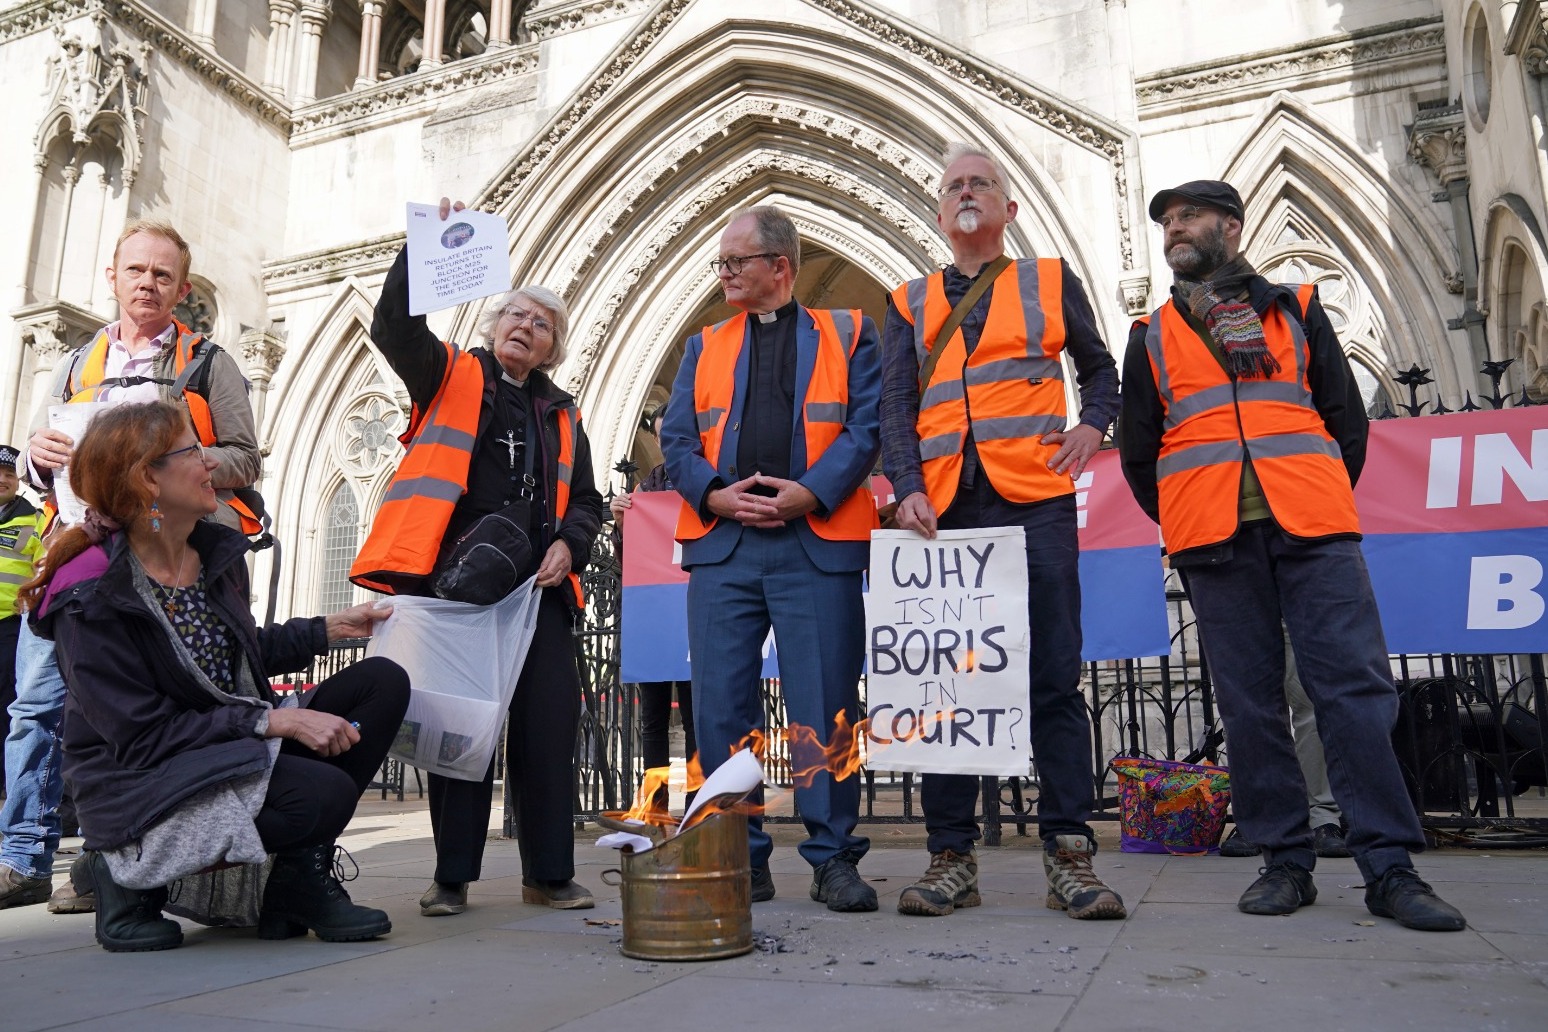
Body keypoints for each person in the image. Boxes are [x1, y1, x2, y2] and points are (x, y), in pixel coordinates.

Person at [1118, 178, 1465, 931]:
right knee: (1250, 704)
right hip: (1214, 541)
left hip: (1313, 528)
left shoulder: (1297, 312)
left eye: (1191, 218)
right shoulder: (1150, 336)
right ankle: (1284, 860)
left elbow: (1347, 425)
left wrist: (1312, 493)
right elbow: (1141, 456)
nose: (1175, 229)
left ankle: (1389, 867)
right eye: (1168, 221)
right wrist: (1185, 514)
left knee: (1354, 694)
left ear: (1231, 230)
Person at [28, 401, 409, 952]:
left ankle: (296, 882)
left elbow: (235, 655)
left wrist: (328, 628)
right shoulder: (90, 588)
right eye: (191, 452)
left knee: (381, 683)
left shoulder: (213, 555)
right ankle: (121, 874)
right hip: (140, 779)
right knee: (317, 795)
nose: (210, 464)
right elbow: (140, 735)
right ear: (146, 479)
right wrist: (272, 722)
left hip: (216, 749)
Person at [879, 143, 1125, 921]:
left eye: (981, 182)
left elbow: (1102, 370)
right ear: (939, 212)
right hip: (945, 511)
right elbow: (894, 407)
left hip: (1034, 500)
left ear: (1009, 209)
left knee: (1052, 677)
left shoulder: (1049, 280)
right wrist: (910, 489)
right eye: (952, 186)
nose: (965, 194)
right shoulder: (907, 299)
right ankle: (951, 856)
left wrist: (1092, 425)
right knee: (944, 686)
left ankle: (1068, 853)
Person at [1, 217, 262, 914]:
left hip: (162, 548)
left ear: (182, 289)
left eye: (163, 274)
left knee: (139, 708)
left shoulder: (209, 363)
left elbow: (244, 456)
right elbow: (33, 455)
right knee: (37, 706)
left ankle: (106, 864)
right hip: (80, 548)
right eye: (136, 271)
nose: (148, 283)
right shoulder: (73, 363)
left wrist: (168, 464)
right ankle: (21, 857)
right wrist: (37, 456)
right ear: (112, 277)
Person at [353, 198, 604, 917]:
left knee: (546, 730)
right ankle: (452, 877)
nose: (527, 327)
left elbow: (586, 501)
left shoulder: (563, 415)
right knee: (461, 731)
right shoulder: (448, 375)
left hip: (540, 595)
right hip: (452, 589)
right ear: (494, 327)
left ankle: (548, 873)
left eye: (543, 323)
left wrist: (570, 543)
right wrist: (426, 245)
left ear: (555, 348)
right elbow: (394, 326)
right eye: (516, 315)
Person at [661, 204, 880, 912]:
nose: (723, 273)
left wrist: (809, 493)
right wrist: (715, 495)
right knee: (722, 712)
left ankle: (833, 857)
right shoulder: (703, 345)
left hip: (812, 543)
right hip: (724, 547)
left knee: (826, 708)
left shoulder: (850, 333)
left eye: (735, 262)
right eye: (721, 263)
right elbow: (677, 442)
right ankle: (735, 857)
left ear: (779, 268)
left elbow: (866, 426)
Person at [609, 407, 696, 811]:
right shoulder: (648, 487)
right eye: (661, 435)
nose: (666, 442)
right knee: (654, 723)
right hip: (656, 619)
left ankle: (699, 804)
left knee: (697, 722)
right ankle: (657, 805)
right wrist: (623, 523)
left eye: (673, 432)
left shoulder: (705, 476)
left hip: (695, 615)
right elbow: (631, 559)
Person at [1219, 627, 1351, 859]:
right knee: (1247, 714)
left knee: (1315, 711)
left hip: (1297, 610)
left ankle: (1322, 817)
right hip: (1241, 610)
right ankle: (1256, 818)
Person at [0, 446, 45, 793]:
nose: (3, 479)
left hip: (9, 630)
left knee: (5, 708)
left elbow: (45, 570)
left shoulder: (36, 520)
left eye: (9, 474)